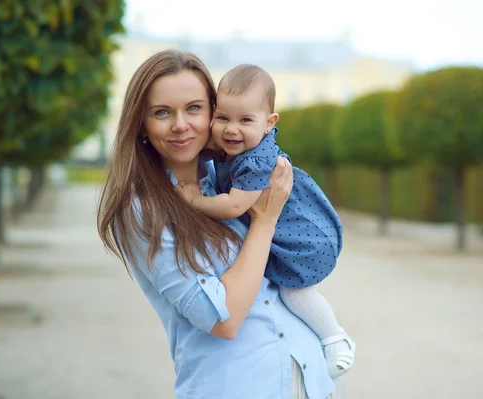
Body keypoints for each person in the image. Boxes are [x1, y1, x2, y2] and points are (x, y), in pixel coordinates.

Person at [97, 49, 343, 398]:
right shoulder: (143, 211)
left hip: (310, 381)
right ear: (142, 125)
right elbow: (223, 320)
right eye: (162, 112)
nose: (181, 124)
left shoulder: (230, 177)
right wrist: (265, 220)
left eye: (194, 108)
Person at [177, 64, 355, 378]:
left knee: (294, 292)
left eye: (245, 120)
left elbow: (234, 206)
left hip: (302, 241)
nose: (232, 129)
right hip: (285, 234)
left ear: (268, 122)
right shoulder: (239, 145)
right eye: (223, 118)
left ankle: (336, 339)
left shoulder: (258, 161)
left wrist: (193, 200)